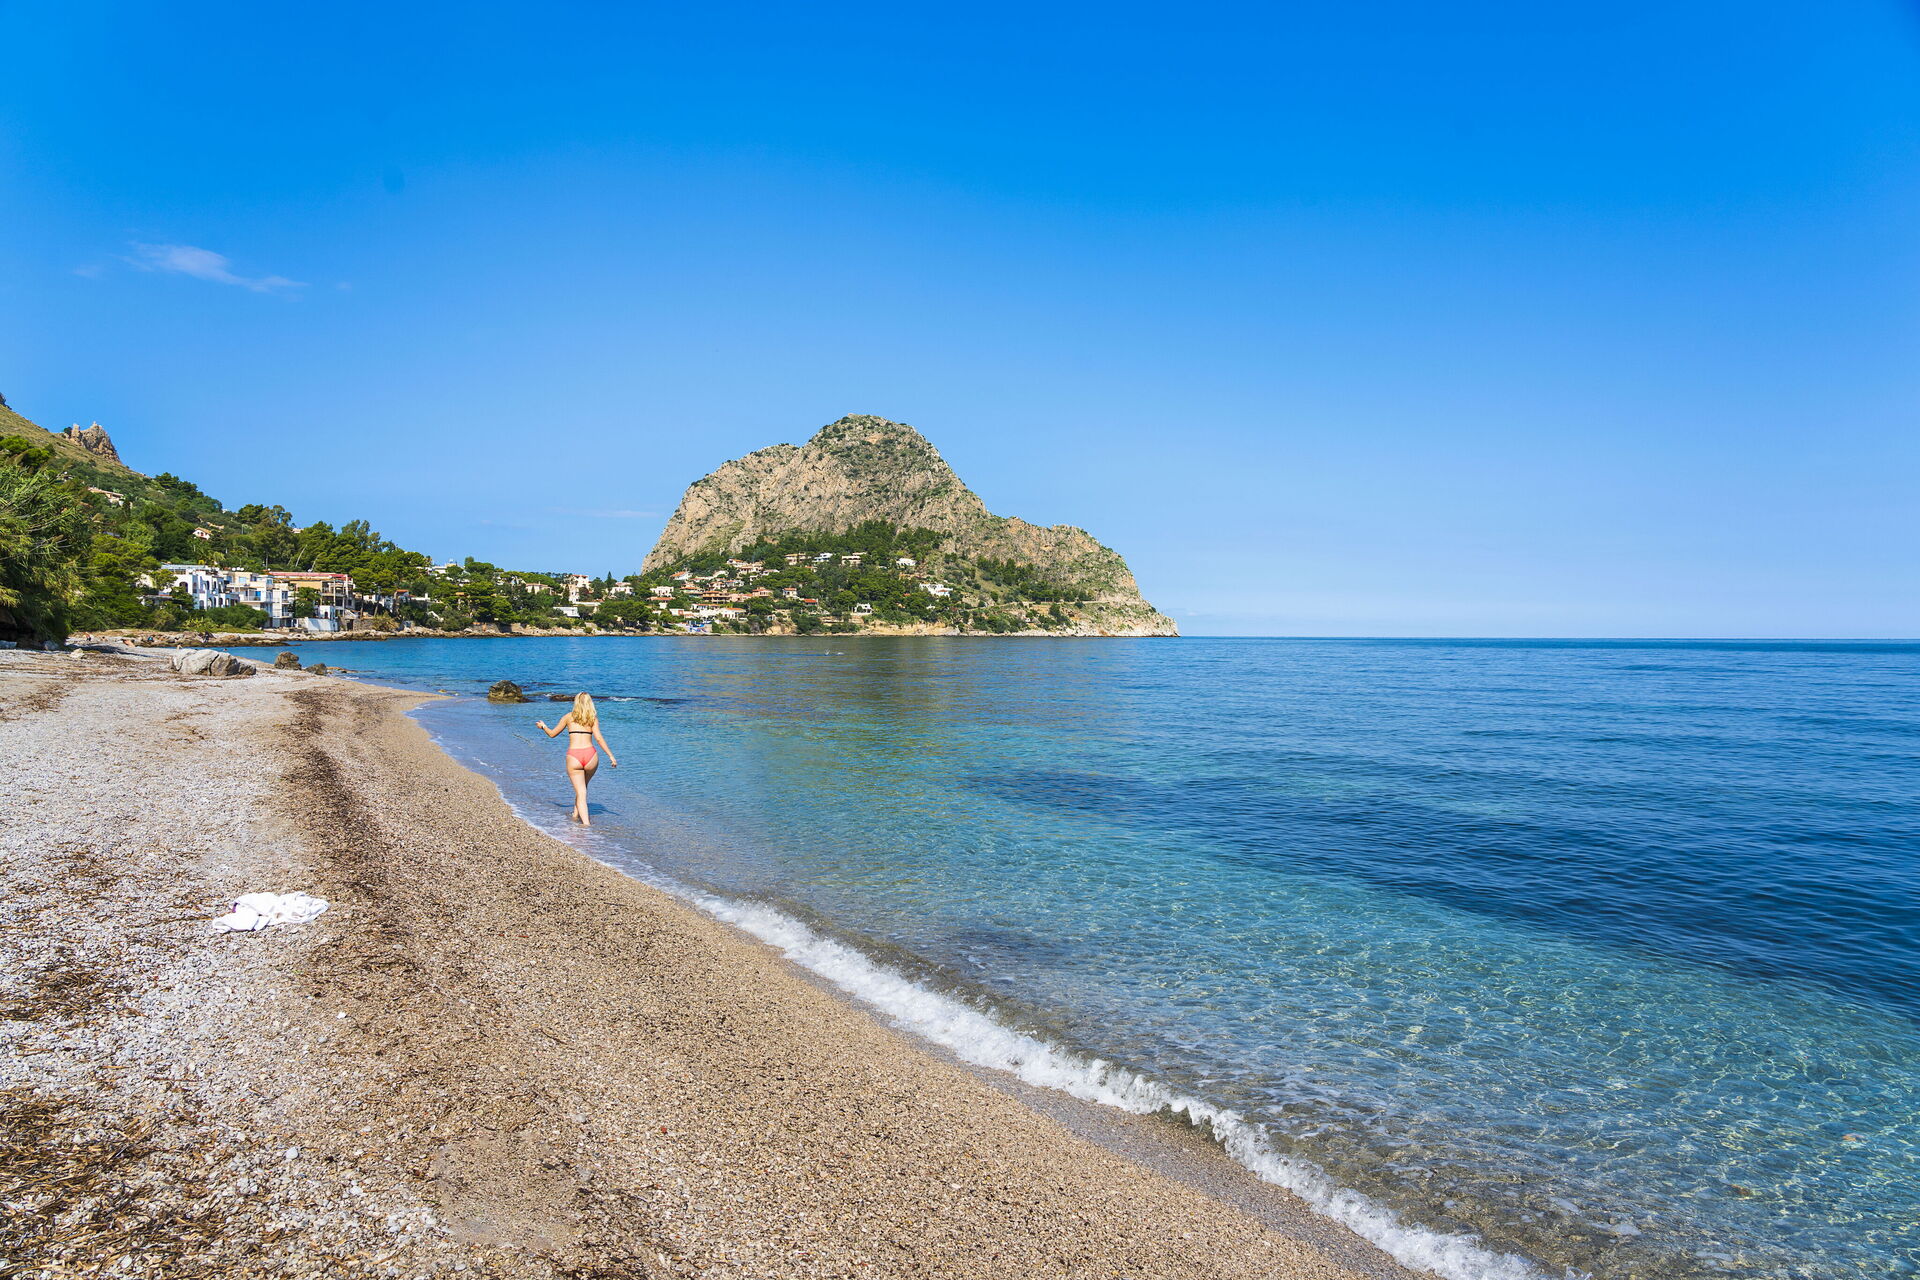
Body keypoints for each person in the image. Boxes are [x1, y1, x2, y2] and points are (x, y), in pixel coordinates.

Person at [536, 693, 618, 825]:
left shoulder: (568, 717)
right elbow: (598, 738)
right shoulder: (592, 718)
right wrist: (611, 756)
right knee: (582, 789)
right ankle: (575, 815)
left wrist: (543, 726)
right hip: (591, 756)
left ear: (576, 702)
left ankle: (586, 825)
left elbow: (552, 734)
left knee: (580, 791)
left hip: (574, 756)